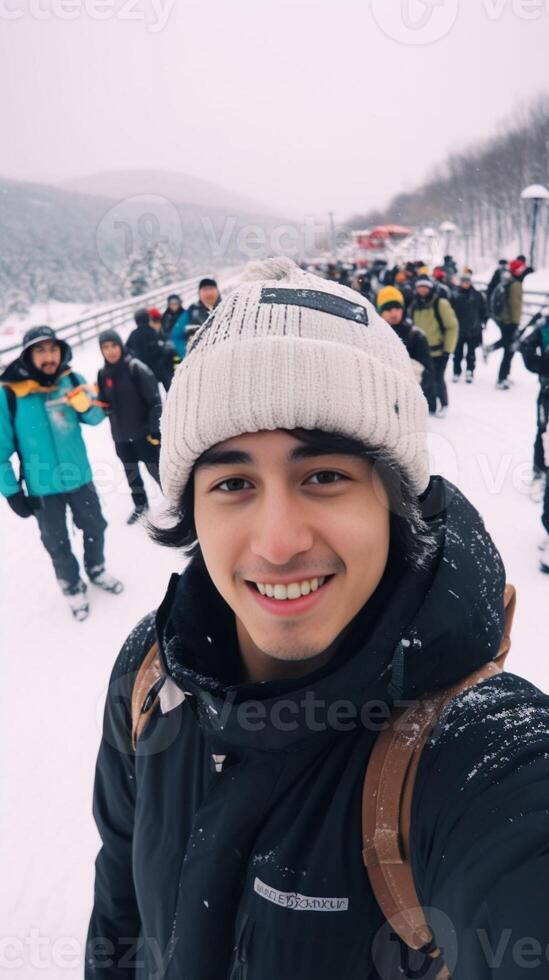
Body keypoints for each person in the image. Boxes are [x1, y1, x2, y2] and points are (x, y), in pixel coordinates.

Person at [86, 258, 549, 980]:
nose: (277, 542)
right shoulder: (152, 675)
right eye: (234, 482)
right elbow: (118, 903)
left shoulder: (470, 754)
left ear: (395, 502)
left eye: (324, 476)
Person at [0, 325, 122, 620]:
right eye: (40, 350)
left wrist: (87, 405)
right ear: (28, 356)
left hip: (80, 477)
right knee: (56, 542)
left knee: (95, 527)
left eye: (53, 349)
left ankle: (96, 569)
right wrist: (12, 493)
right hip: (43, 488)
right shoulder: (10, 394)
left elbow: (94, 417)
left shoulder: (71, 380)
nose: (49, 356)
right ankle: (72, 588)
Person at [97, 329, 162, 525]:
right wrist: (102, 407)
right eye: (105, 347)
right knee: (132, 474)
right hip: (121, 437)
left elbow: (155, 401)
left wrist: (154, 429)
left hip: (144, 434)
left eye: (113, 345)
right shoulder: (102, 373)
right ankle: (140, 504)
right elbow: (103, 401)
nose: (110, 351)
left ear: (121, 346)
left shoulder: (136, 367)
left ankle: (179, 502)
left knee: (158, 471)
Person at [520, 314, 549, 571]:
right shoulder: (543, 324)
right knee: (544, 438)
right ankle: (540, 471)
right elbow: (525, 344)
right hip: (548, 392)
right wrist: (541, 365)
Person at [376, 285, 435, 408]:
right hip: (378, 402)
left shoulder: (416, 336)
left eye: (397, 308)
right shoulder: (371, 334)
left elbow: (427, 375)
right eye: (388, 309)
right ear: (380, 311)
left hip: (406, 404)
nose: (394, 313)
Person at [410, 274, 458, 417]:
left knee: (438, 379)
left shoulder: (440, 304)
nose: (422, 290)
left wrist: (448, 350)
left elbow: (452, 326)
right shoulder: (414, 305)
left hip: (439, 351)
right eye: (420, 287)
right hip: (422, 352)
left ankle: (443, 404)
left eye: (425, 287)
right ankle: (430, 406)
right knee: (424, 379)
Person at [485, 257, 530, 389]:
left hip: (503, 320)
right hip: (510, 322)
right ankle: (501, 379)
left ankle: (492, 350)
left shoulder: (507, 280)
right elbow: (515, 306)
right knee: (509, 350)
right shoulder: (515, 284)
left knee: (507, 345)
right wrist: (516, 324)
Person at [171, 278, 221, 359]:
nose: (209, 293)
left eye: (211, 289)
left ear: (217, 291)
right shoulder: (192, 312)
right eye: (205, 290)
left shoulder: (227, 307)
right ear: (199, 293)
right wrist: (188, 357)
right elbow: (176, 336)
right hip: (201, 361)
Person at [126, 308, 174, 392]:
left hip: (143, 370)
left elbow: (127, 349)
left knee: (152, 393)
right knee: (169, 388)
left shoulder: (133, 334)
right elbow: (159, 347)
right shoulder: (151, 331)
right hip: (158, 367)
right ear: (148, 319)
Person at [452, 271, 487, 382]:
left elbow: (483, 310)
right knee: (457, 353)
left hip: (473, 330)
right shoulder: (455, 295)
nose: (465, 284)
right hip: (458, 330)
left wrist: (484, 321)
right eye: (463, 282)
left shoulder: (477, 295)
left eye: (467, 282)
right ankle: (456, 371)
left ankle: (470, 371)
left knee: (471, 353)